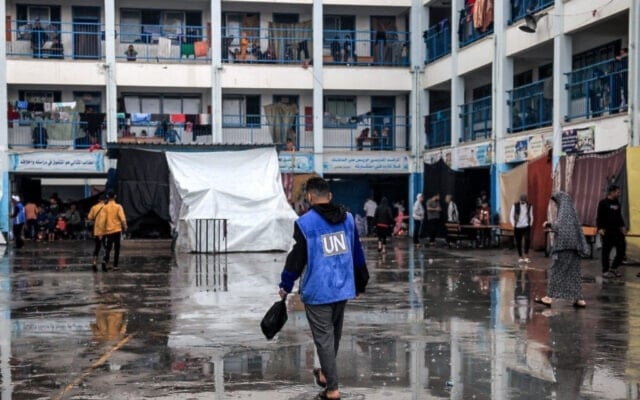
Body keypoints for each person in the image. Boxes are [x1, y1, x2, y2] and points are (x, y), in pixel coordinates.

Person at [277, 177, 368, 400]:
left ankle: (333, 389)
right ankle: (326, 375)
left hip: (318, 291)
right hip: (342, 288)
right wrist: (360, 282)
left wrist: (285, 285)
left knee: (325, 341)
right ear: (330, 196)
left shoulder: (304, 223)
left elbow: (296, 258)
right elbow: (357, 252)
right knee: (332, 338)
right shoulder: (347, 219)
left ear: (309, 197)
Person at [535, 191, 590, 308]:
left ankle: (549, 297)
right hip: (575, 247)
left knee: (556, 271)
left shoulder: (563, 212)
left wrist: (549, 224)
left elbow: (560, 228)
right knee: (573, 273)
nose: (556, 204)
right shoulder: (572, 211)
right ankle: (578, 299)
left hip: (564, 247)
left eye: (556, 202)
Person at [596, 185, 627, 279]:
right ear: (612, 192)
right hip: (607, 231)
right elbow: (599, 217)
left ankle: (613, 268)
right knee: (606, 252)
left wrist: (623, 226)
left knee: (622, 250)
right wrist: (600, 228)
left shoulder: (617, 203)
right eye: (617, 192)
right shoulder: (603, 203)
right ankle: (605, 271)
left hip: (617, 231)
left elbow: (618, 216)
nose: (619, 193)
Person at [100, 190, 128, 271]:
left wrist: (101, 231)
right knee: (117, 248)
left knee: (108, 248)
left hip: (108, 231)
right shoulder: (118, 207)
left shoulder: (105, 207)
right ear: (115, 196)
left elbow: (102, 221)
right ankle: (115, 266)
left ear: (107, 197)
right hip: (117, 230)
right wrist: (125, 226)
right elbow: (122, 218)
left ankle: (105, 261)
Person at [510, 193, 534, 264]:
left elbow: (531, 215)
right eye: (521, 201)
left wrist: (530, 224)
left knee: (527, 240)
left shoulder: (529, 206)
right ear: (520, 200)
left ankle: (526, 256)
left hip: (526, 226)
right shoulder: (515, 205)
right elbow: (511, 215)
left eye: (524, 201)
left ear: (526, 200)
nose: (522, 202)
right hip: (517, 226)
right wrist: (513, 224)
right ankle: (520, 257)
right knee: (518, 242)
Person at [87, 195, 108, 272]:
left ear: (99, 200)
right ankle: (104, 263)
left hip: (96, 231)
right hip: (105, 231)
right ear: (104, 200)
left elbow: (89, 217)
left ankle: (94, 262)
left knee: (97, 247)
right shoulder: (107, 208)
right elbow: (105, 220)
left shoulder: (94, 207)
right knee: (106, 248)